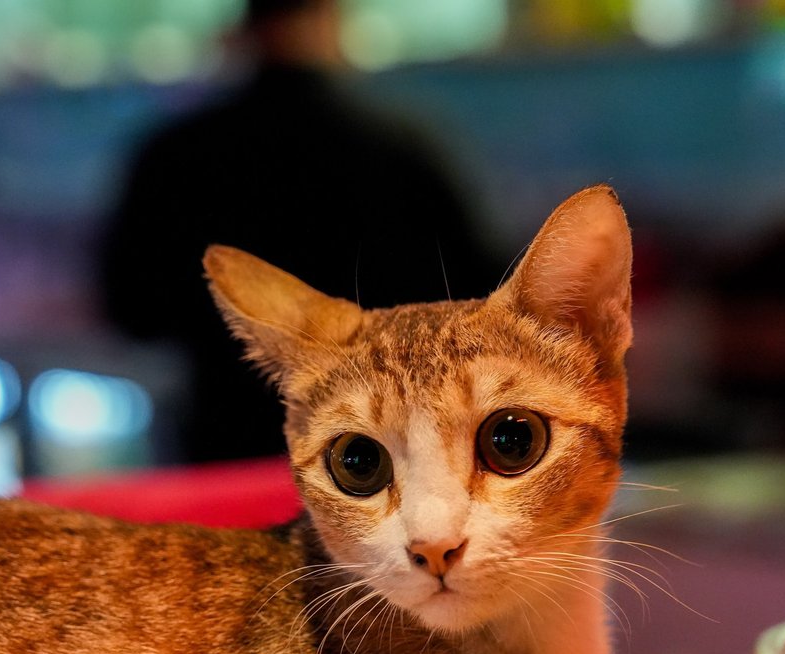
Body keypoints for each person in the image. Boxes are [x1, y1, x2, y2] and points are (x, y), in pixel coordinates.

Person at [98, 0, 504, 464]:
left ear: (244, 29)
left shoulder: (172, 156)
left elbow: (130, 310)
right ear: (332, 19)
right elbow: (481, 291)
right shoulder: (402, 147)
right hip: (393, 447)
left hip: (225, 443)